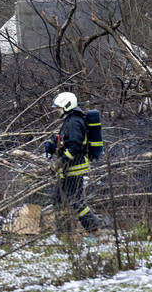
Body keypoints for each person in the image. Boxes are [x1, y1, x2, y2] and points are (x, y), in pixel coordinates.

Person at [45, 92, 99, 239]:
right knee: (58, 198)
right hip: (68, 168)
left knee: (74, 200)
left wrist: (61, 161)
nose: (57, 110)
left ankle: (93, 229)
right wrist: (52, 145)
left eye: (59, 107)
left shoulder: (74, 122)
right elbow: (65, 141)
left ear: (66, 106)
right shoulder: (69, 120)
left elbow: (75, 146)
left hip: (75, 168)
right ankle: (64, 232)